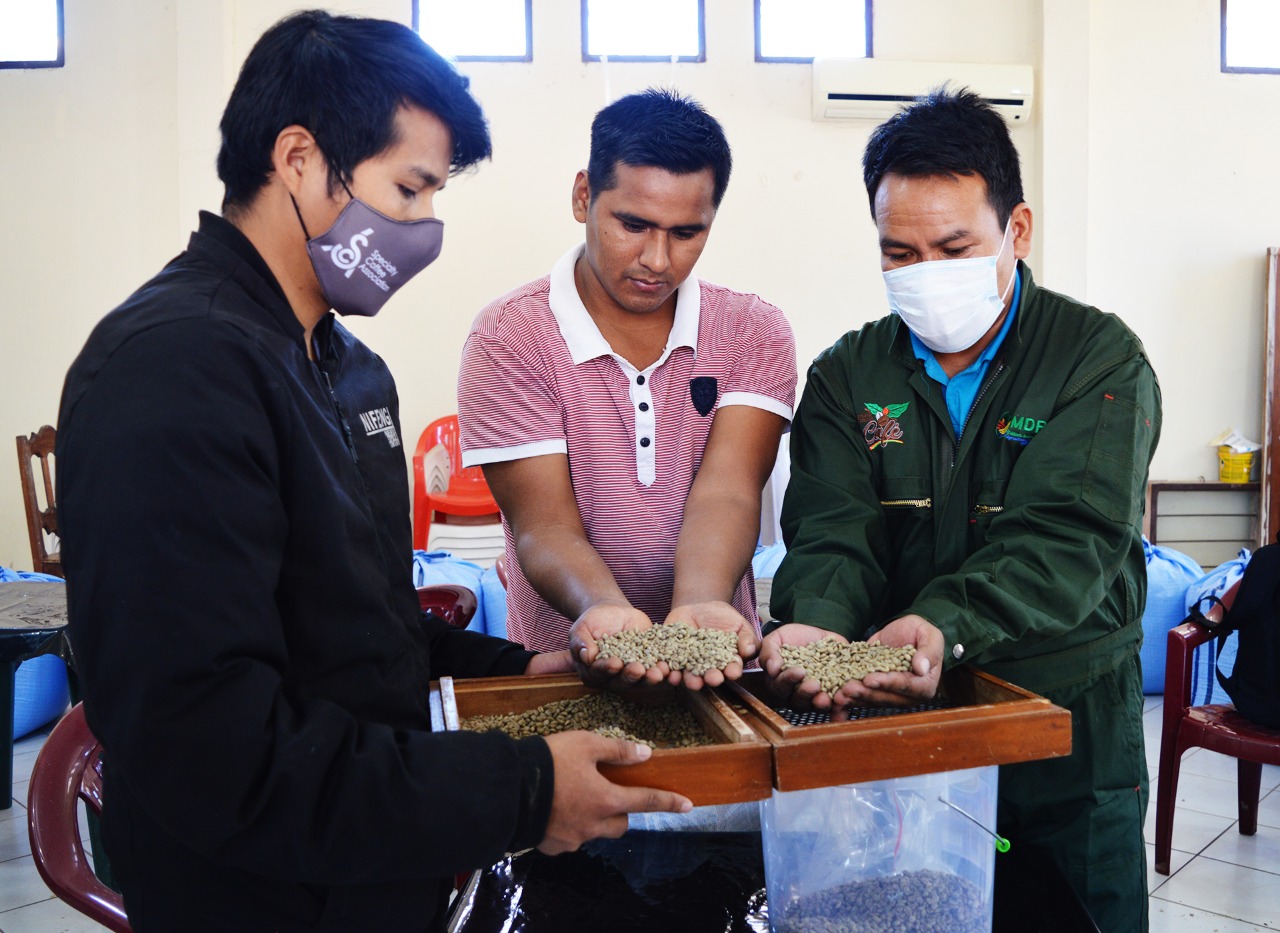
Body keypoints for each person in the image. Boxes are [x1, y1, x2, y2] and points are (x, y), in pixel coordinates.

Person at [55, 12, 690, 931]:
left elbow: (361, 629)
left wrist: (521, 669)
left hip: (373, 869)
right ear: (302, 161)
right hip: (257, 894)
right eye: (408, 188)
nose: (424, 227)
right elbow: (206, 743)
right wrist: (518, 793)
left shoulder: (348, 370)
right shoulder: (175, 368)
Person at [763, 88, 1160, 933]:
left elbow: (1067, 538)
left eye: (953, 246)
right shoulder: (848, 375)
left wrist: (945, 622)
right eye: (898, 252)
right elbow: (832, 526)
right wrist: (820, 623)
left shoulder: (1096, 359)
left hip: (1064, 733)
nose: (926, 274)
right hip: (908, 731)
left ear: (1016, 231)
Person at [456, 89, 796, 690]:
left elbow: (729, 492)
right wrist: (607, 615)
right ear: (583, 195)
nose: (657, 259)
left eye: (687, 232)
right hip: (566, 662)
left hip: (718, 658)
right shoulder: (508, 337)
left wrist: (698, 608)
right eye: (633, 225)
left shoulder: (752, 331)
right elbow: (544, 524)